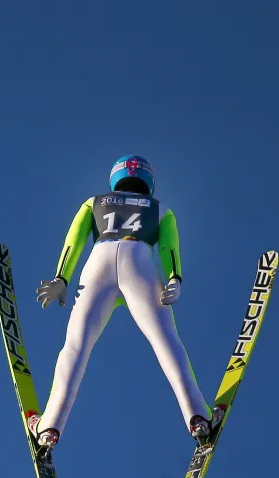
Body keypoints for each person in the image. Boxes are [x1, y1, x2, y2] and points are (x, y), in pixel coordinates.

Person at [31, 155, 222, 455]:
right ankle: (198, 416)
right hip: (141, 260)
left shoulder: (93, 202)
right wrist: (176, 277)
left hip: (99, 262)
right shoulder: (162, 210)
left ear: (114, 178)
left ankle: (50, 426)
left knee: (76, 347)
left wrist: (62, 278)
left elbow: (74, 240)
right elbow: (170, 245)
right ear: (149, 182)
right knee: (166, 341)